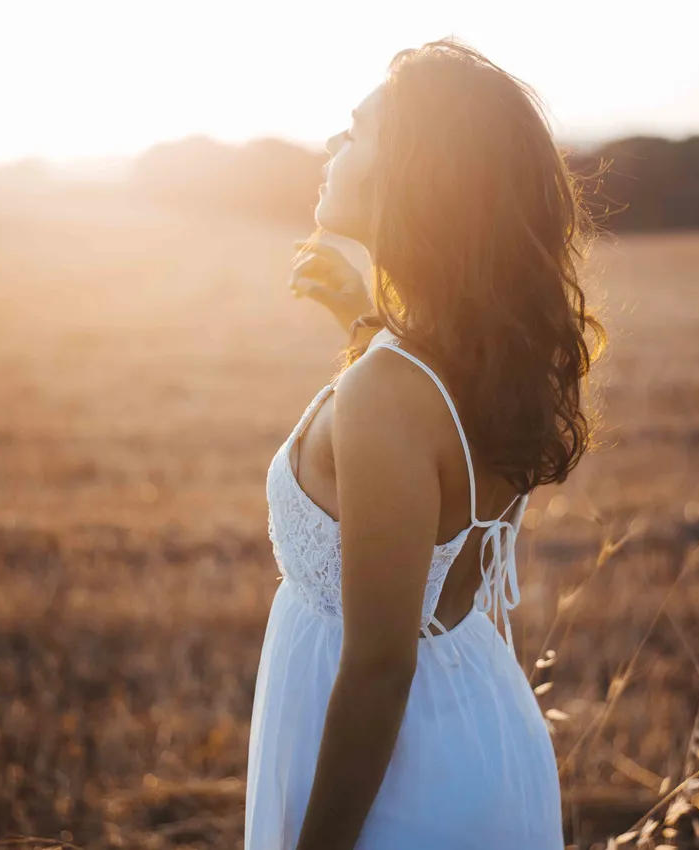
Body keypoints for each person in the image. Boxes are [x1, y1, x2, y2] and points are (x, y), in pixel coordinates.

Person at [246, 37, 606, 850]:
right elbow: (428, 456)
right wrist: (365, 324)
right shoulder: (477, 358)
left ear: (410, 173)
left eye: (355, 132)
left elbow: (380, 666)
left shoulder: (388, 392)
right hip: (475, 723)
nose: (333, 149)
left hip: (403, 779)